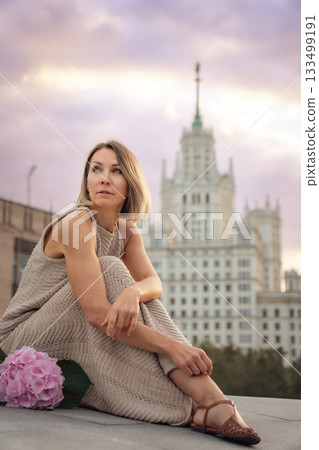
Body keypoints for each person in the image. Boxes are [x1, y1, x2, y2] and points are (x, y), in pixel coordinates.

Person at [0, 141, 261, 445]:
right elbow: (97, 314)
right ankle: (208, 404)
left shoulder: (126, 230)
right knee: (110, 268)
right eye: (96, 169)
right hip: (24, 341)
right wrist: (174, 347)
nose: (104, 178)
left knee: (127, 291)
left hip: (76, 326)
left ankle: (206, 405)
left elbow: (154, 283)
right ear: (87, 180)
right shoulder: (77, 224)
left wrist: (133, 293)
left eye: (116, 171)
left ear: (130, 183)